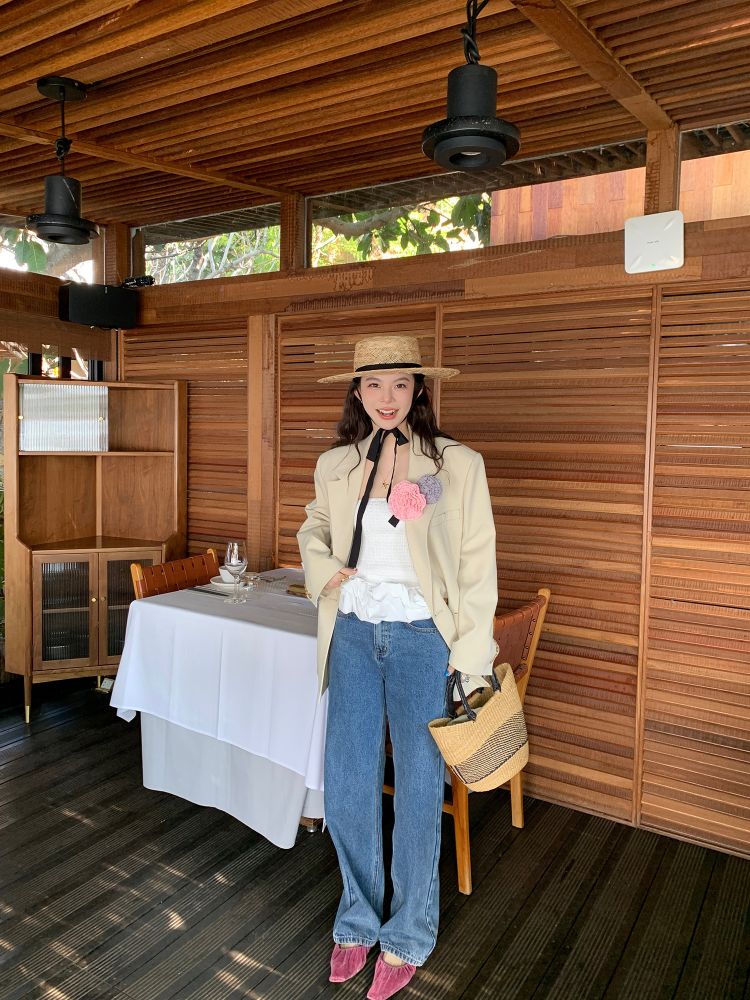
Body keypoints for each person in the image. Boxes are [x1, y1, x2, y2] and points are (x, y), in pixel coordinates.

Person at [297, 335, 497, 1000]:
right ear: (357, 392)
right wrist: (326, 570)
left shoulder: (457, 465)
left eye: (400, 384)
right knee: (347, 783)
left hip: (421, 640)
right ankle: (357, 920)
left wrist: (471, 661)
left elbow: (477, 565)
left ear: (419, 390)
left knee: (416, 789)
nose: (387, 398)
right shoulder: (336, 464)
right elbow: (312, 529)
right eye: (374, 385)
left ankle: (409, 933)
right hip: (353, 634)